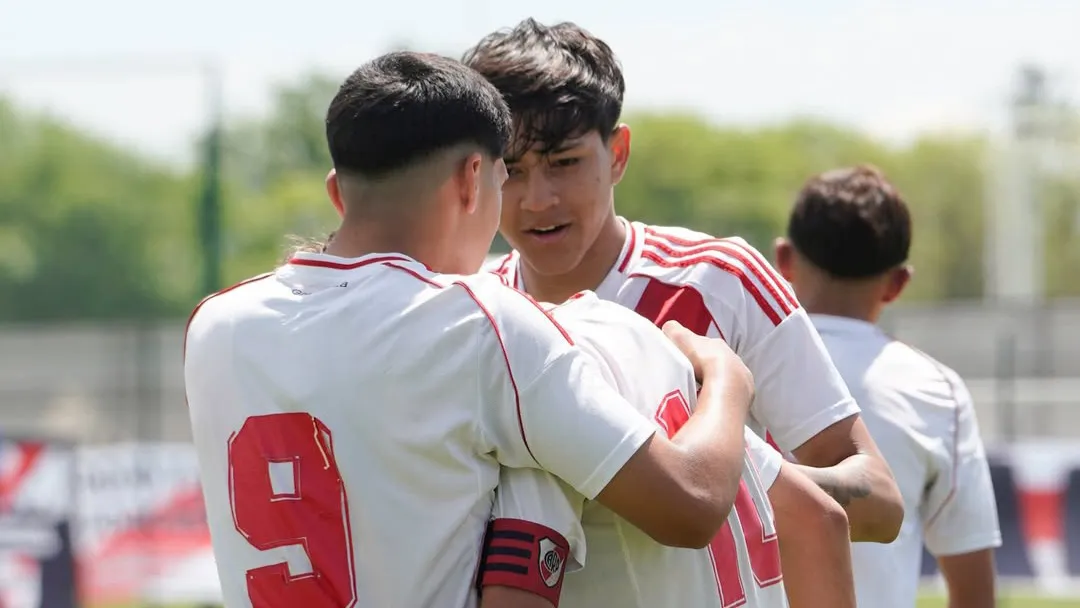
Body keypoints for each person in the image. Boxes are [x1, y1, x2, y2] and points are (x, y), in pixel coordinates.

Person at [184, 51, 757, 608]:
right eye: (506, 179)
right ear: (472, 179)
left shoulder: (216, 323)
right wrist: (727, 380)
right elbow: (690, 504)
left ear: (337, 193)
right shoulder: (481, 323)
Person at [464, 18, 903, 542]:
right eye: (512, 170)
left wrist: (702, 484)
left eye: (565, 162)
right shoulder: (471, 309)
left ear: (618, 154)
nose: (538, 199)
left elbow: (880, 503)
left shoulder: (720, 280)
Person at [486, 292, 857, 608]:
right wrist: (727, 375)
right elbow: (819, 519)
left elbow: (515, 599)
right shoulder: (643, 337)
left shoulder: (533, 386)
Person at [773, 165, 1002, 608]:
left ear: (783, 261)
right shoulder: (937, 391)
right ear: (898, 284)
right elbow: (973, 585)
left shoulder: (723, 369)